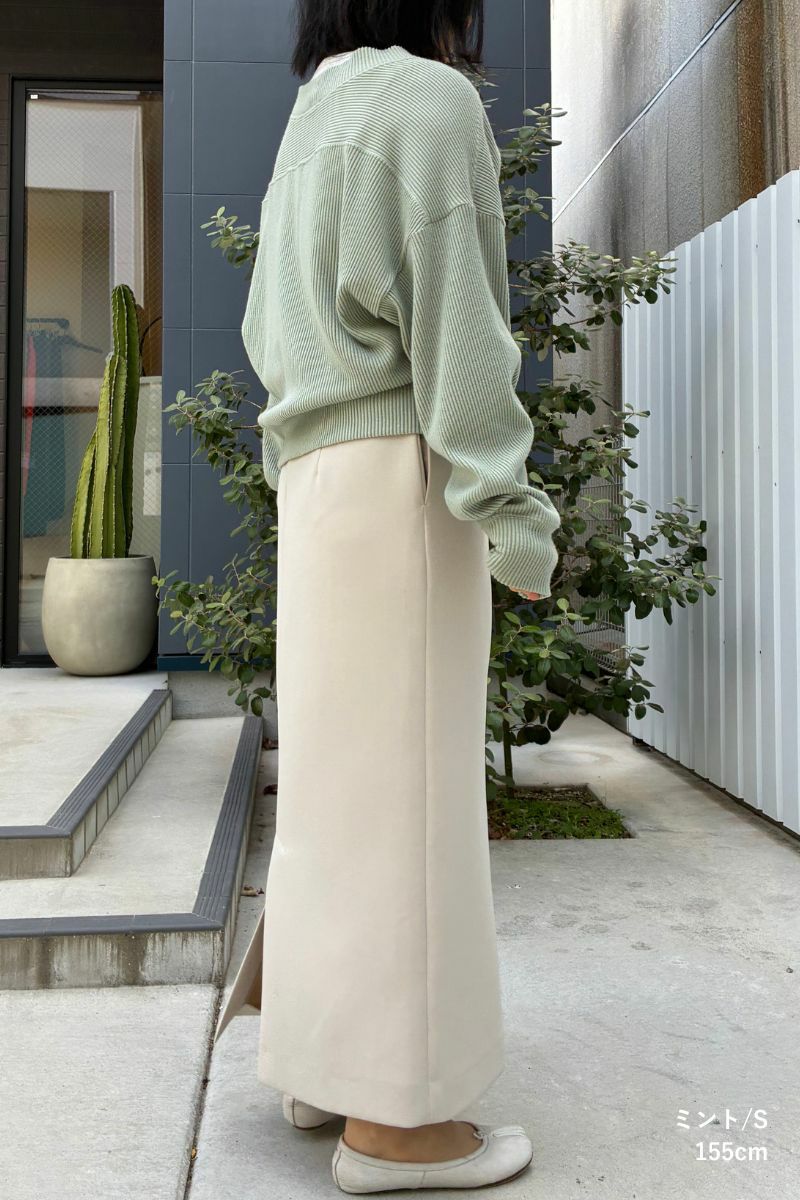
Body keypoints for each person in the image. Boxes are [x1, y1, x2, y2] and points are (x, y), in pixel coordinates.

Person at [215, 1, 562, 1192]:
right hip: (399, 477)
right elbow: (460, 329)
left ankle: (325, 1067)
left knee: (335, 798)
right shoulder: (427, 98)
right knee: (408, 805)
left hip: (316, 483)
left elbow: (264, 322)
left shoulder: (314, 112)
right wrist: (510, 514)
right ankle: (398, 1128)